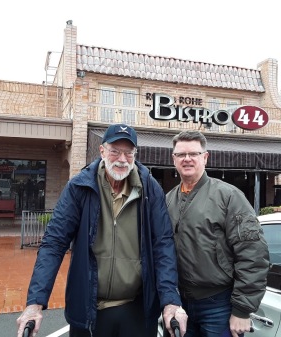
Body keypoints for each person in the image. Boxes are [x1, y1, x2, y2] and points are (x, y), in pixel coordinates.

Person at [17, 124, 187, 337]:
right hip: (89, 309)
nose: (122, 159)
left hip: (137, 308)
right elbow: (54, 243)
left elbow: (163, 244)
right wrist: (35, 303)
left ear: (135, 155)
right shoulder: (80, 187)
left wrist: (170, 301)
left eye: (128, 152)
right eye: (115, 150)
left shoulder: (150, 189)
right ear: (102, 151)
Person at [165, 130, 269, 337]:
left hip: (219, 305)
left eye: (193, 154)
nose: (187, 159)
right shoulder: (168, 200)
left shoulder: (229, 197)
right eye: (181, 154)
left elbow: (253, 255)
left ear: (205, 157)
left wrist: (242, 309)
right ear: (174, 159)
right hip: (180, 304)